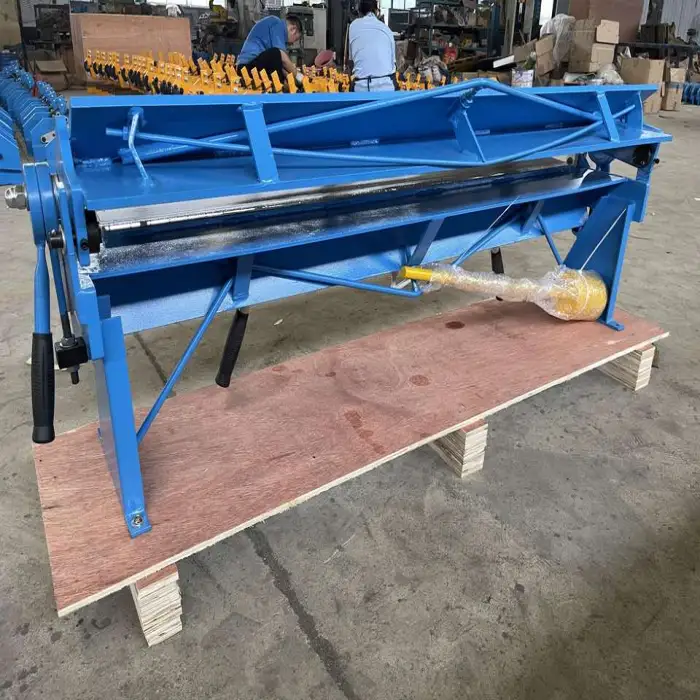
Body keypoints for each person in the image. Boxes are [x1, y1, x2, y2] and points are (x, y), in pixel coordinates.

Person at [237, 15, 303, 82]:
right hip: (246, 68)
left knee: (277, 58)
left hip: (252, 67)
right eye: (296, 39)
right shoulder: (277, 23)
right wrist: (299, 76)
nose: (292, 43)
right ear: (293, 29)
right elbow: (282, 57)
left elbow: (280, 64)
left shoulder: (274, 30)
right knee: (276, 53)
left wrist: (290, 78)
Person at [348, 0, 396, 92]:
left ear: (359, 11)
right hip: (387, 88)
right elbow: (393, 64)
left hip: (361, 88)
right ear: (376, 11)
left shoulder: (353, 26)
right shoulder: (387, 29)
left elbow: (351, 62)